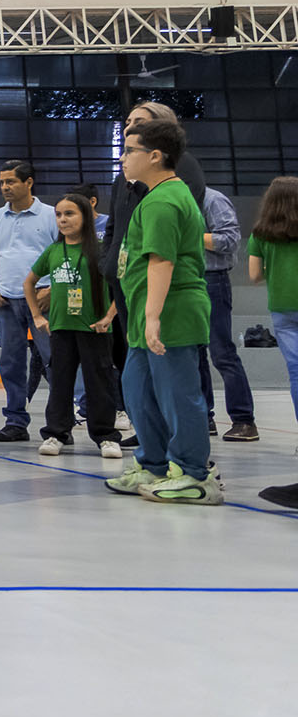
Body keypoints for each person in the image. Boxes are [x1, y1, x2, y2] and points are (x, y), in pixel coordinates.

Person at [101, 120, 218, 504]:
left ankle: (194, 475)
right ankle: (153, 464)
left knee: (178, 395)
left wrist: (153, 318)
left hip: (171, 312)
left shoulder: (165, 201)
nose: (123, 158)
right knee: (138, 390)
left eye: (129, 150)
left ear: (155, 156)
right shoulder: (152, 197)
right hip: (144, 312)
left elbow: (161, 261)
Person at [101, 102, 207, 408]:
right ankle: (151, 433)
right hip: (129, 280)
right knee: (138, 379)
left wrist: (152, 315)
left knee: (175, 382)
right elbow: (114, 225)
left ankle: (193, 434)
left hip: (163, 287)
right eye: (128, 121)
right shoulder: (126, 178)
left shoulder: (168, 191)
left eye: (140, 122)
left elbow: (163, 255)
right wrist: (108, 262)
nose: (130, 126)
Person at [25, 194, 121, 458]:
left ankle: (105, 436)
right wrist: (37, 316)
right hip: (61, 329)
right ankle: (56, 433)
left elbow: (121, 285)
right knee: (60, 383)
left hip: (95, 329)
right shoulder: (53, 250)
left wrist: (109, 316)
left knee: (99, 383)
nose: (63, 220)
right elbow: (29, 282)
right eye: (58, 215)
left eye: (69, 214)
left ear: (85, 216)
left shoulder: (101, 250)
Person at [0, 160, 57, 442]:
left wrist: (54, 289)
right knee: (10, 363)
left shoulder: (51, 215)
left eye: (10, 181)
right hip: (6, 301)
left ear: (29, 182)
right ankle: (15, 421)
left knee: (53, 360)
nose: (5, 187)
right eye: (1, 182)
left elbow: (66, 255)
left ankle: (58, 424)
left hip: (43, 298)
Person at [197, 186, 257, 441]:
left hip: (213, 279)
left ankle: (244, 420)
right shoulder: (176, 198)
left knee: (222, 352)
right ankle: (203, 417)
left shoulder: (213, 199)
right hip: (187, 280)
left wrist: (192, 234)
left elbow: (230, 240)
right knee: (194, 352)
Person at [246, 177, 298, 452]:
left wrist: (277, 270)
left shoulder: (260, 234)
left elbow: (254, 275)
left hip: (282, 309)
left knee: (296, 374)